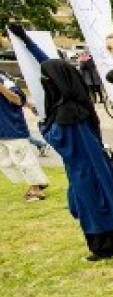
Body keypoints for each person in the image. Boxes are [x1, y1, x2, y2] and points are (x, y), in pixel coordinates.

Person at [8, 24, 113, 260]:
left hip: (85, 169)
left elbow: (62, 143)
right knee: (106, 199)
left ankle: (109, 246)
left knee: (94, 206)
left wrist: (44, 125)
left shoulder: (68, 113)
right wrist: (26, 41)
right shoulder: (77, 101)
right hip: (95, 165)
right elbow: (54, 66)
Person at [0, 73, 49, 201]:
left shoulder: (4, 80)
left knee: (23, 158)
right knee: (6, 162)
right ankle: (38, 182)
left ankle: (36, 188)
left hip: (11, 126)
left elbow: (18, 99)